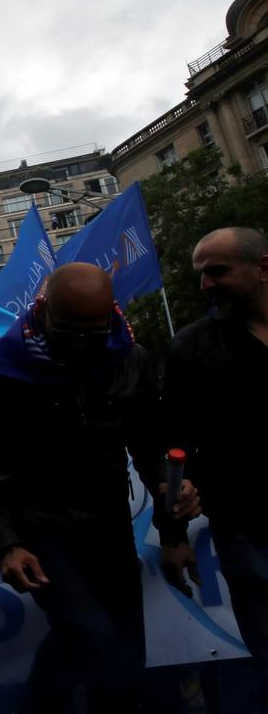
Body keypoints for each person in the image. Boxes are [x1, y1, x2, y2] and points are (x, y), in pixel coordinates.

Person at [0, 263, 200, 713]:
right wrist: (6, 544)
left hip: (108, 524)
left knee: (119, 648)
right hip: (41, 528)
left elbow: (150, 450)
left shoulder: (131, 358)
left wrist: (173, 529)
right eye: (69, 333)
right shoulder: (2, 369)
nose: (83, 346)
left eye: (94, 332)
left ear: (110, 314)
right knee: (92, 636)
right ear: (44, 312)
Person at [162, 227, 268, 678]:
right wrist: (174, 530)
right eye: (200, 274)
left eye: (217, 272)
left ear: (262, 268)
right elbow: (174, 443)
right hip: (250, 529)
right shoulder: (191, 346)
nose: (206, 284)